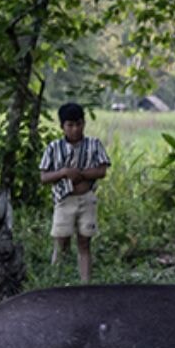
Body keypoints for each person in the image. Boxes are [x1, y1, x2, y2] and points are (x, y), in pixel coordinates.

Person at [40, 102, 111, 282]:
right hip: (64, 201)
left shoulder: (94, 145)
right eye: (70, 125)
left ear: (84, 124)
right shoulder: (53, 148)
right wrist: (64, 172)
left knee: (84, 242)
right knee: (61, 242)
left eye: (78, 124)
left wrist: (80, 174)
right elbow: (44, 177)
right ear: (62, 126)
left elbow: (102, 171)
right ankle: (56, 281)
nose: (75, 129)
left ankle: (85, 283)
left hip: (86, 200)